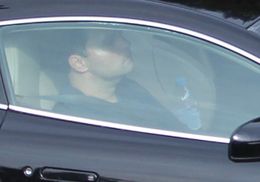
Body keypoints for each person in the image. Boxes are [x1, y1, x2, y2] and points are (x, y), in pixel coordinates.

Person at [45, 26, 184, 130]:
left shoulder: (129, 89)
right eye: (110, 42)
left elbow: (179, 132)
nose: (125, 43)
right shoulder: (74, 121)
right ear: (79, 63)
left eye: (120, 35)